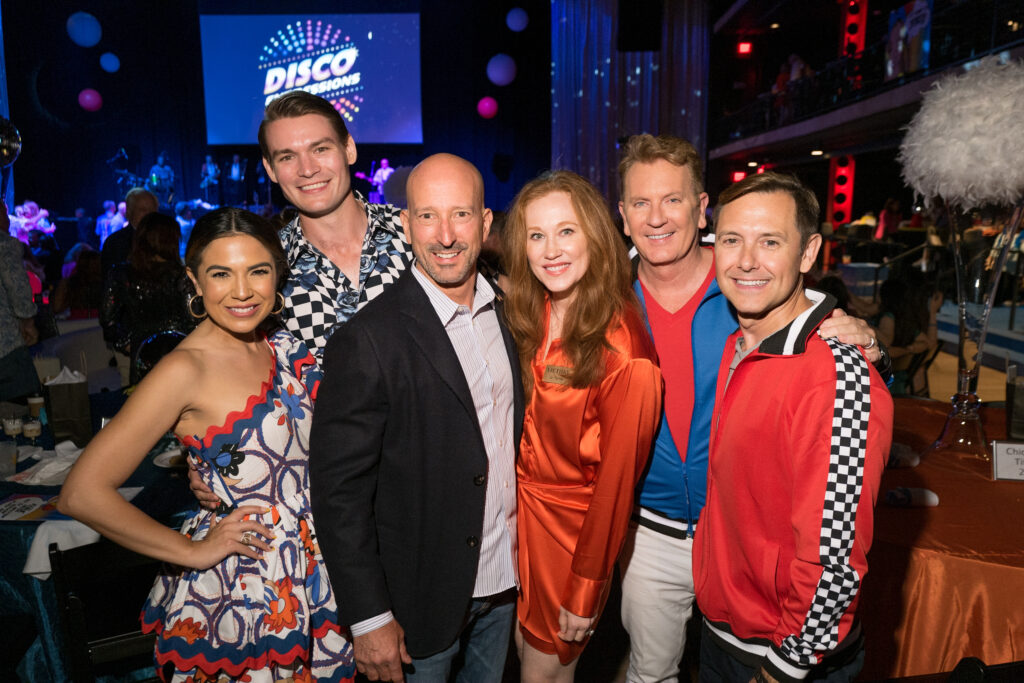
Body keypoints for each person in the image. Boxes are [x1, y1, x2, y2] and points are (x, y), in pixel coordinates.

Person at [614, 134, 883, 683]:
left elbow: (837, 391)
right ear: (622, 215)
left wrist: (869, 347)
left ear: (701, 207)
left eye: (673, 199)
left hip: (750, 548)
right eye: (641, 202)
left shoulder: (744, 287)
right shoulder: (603, 295)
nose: (657, 217)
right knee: (651, 670)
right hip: (653, 533)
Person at [58, 207, 356, 683]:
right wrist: (190, 550)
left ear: (277, 277)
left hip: (316, 575)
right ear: (195, 283)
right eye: (221, 274)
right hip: (246, 593)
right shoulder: (184, 369)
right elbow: (82, 492)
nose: (242, 291)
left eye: (258, 271)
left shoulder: (280, 343)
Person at [309, 153, 522, 683]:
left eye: (461, 215)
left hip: (505, 584)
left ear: (486, 222)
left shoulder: (512, 316)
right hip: (418, 603)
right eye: (427, 216)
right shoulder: (368, 339)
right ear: (405, 224)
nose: (445, 235)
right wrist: (369, 617)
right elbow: (339, 494)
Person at [693, 172, 892, 683]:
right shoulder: (739, 344)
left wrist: (785, 667)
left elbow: (834, 558)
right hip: (724, 634)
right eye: (732, 240)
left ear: (808, 254)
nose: (746, 260)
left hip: (783, 657)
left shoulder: (836, 373)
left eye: (770, 242)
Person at [502, 170, 662, 681]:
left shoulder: (623, 349)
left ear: (595, 234)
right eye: (536, 234)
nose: (551, 249)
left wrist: (586, 586)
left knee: (543, 672)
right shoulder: (537, 311)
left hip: (570, 537)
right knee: (527, 658)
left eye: (566, 231)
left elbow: (615, 488)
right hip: (521, 520)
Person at [100, 212, 194, 384]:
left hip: (143, 353)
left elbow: (108, 319)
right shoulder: (182, 275)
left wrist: (127, 343)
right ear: (170, 240)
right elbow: (193, 319)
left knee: (146, 405)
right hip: (181, 352)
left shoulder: (121, 273)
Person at [0, 203, 40, 401]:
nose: (8, 220)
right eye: (5, 214)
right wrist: (29, 323)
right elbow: (17, 287)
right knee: (24, 408)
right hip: (5, 347)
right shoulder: (3, 244)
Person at [100, 188, 159, 279]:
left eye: (152, 210)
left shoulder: (162, 238)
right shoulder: (115, 242)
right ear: (129, 212)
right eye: (142, 210)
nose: (148, 214)